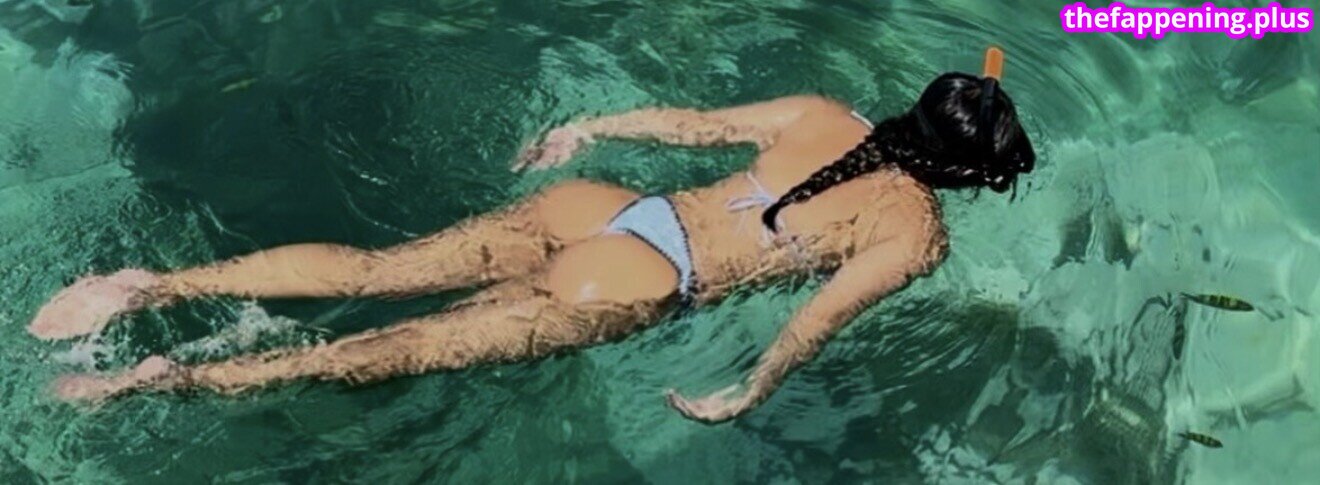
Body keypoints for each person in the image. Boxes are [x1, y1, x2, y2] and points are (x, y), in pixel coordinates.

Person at [30, 47, 1034, 423]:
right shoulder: (914, 232)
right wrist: (749, 390)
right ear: (961, 171)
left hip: (600, 206)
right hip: (640, 278)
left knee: (377, 271)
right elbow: (814, 319)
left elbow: (684, 125)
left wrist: (585, 129)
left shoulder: (824, 113)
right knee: (386, 349)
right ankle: (155, 381)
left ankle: (157, 283)